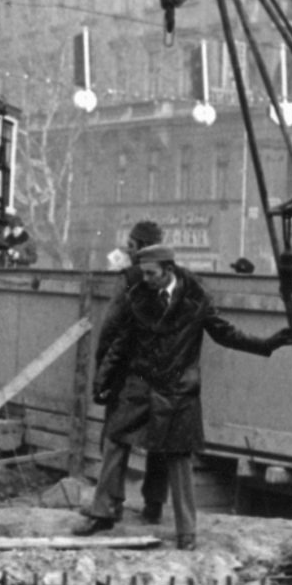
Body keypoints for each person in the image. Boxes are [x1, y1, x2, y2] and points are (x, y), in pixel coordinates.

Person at [74, 242, 292, 548]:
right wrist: (103, 380)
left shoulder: (196, 298)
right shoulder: (138, 296)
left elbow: (225, 333)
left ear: (168, 269)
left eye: (151, 273)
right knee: (115, 437)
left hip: (178, 388)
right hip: (140, 382)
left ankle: (186, 533)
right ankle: (103, 513)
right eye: (144, 273)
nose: (146, 279)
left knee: (179, 456)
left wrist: (266, 344)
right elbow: (122, 343)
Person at [93, 218, 171, 524]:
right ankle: (154, 505)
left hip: (130, 373)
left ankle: (110, 506)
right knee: (161, 440)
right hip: (166, 375)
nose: (126, 247)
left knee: (116, 434)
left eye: (131, 242)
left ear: (139, 247)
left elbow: (112, 328)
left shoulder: (129, 278)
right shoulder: (176, 278)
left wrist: (103, 370)